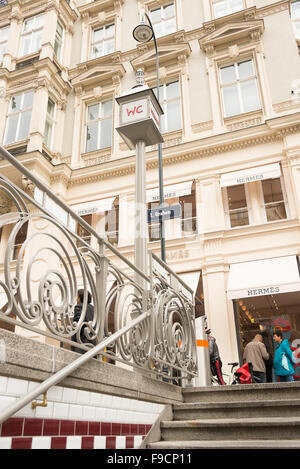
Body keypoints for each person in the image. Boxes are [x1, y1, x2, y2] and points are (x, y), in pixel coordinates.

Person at [71, 289, 96, 354]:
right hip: (94, 343)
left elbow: (77, 325)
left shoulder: (79, 307)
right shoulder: (94, 309)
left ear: (80, 298)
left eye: (77, 297)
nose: (76, 299)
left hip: (82, 343)